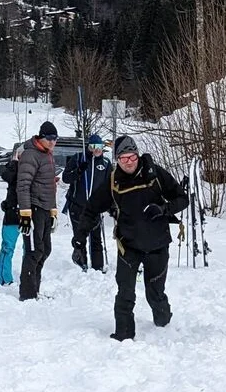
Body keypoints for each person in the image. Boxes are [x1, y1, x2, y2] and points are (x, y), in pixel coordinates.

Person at [72, 135, 188, 341]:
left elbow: (182, 198)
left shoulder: (155, 174)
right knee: (125, 292)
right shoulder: (113, 181)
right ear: (117, 159)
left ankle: (163, 323)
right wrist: (79, 242)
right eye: (123, 158)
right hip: (128, 245)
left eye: (132, 157)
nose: (129, 162)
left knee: (155, 292)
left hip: (157, 245)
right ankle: (123, 334)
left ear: (137, 155)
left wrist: (163, 209)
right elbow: (90, 210)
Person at [17, 121, 59, 300]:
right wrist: (25, 213)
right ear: (41, 138)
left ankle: (35, 288)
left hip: (45, 208)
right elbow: (23, 185)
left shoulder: (47, 155)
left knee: (45, 249)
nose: (52, 142)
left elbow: (50, 185)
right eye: (49, 139)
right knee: (34, 251)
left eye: (55, 139)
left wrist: (53, 210)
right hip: (33, 208)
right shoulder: (30, 155)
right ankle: (27, 293)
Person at [62, 133, 112, 272]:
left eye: (100, 146)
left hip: (95, 208)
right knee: (80, 237)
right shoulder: (79, 158)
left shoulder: (106, 163)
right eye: (93, 146)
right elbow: (66, 178)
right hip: (77, 206)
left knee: (96, 238)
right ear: (88, 147)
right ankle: (82, 265)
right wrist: (78, 170)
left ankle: (98, 267)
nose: (96, 150)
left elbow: (111, 184)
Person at [0, 146, 23, 286]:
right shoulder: (14, 168)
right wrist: (14, 162)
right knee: (8, 247)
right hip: (12, 212)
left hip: (30, 213)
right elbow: (7, 176)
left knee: (29, 248)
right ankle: (4, 278)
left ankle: (27, 275)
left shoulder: (36, 168)